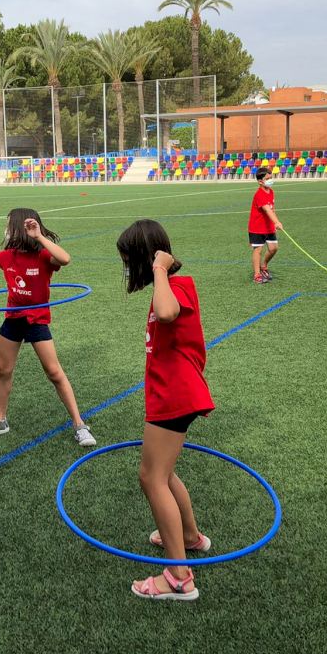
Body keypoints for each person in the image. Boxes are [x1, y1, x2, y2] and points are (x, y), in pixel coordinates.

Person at [116, 220, 215, 601]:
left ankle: (178, 577)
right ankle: (189, 537)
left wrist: (160, 268)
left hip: (175, 395)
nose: (128, 268)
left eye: (130, 260)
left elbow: (169, 312)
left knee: (151, 478)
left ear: (147, 258)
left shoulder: (176, 286)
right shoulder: (169, 286)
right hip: (170, 393)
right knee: (163, 473)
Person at [0, 208, 96, 447]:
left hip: (36, 320)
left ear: (19, 228)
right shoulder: (9, 256)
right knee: (2, 370)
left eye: (9, 225)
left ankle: (80, 425)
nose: (6, 230)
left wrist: (39, 236)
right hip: (13, 318)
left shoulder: (43, 256)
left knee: (54, 372)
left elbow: (65, 259)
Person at [248, 167, 283, 285]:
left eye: (271, 178)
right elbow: (267, 210)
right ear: (260, 181)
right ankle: (257, 275)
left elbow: (272, 209)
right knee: (258, 250)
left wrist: (274, 222)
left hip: (269, 227)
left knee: (274, 248)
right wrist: (277, 222)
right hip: (257, 227)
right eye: (267, 179)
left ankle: (264, 266)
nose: (270, 180)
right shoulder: (259, 194)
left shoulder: (271, 192)